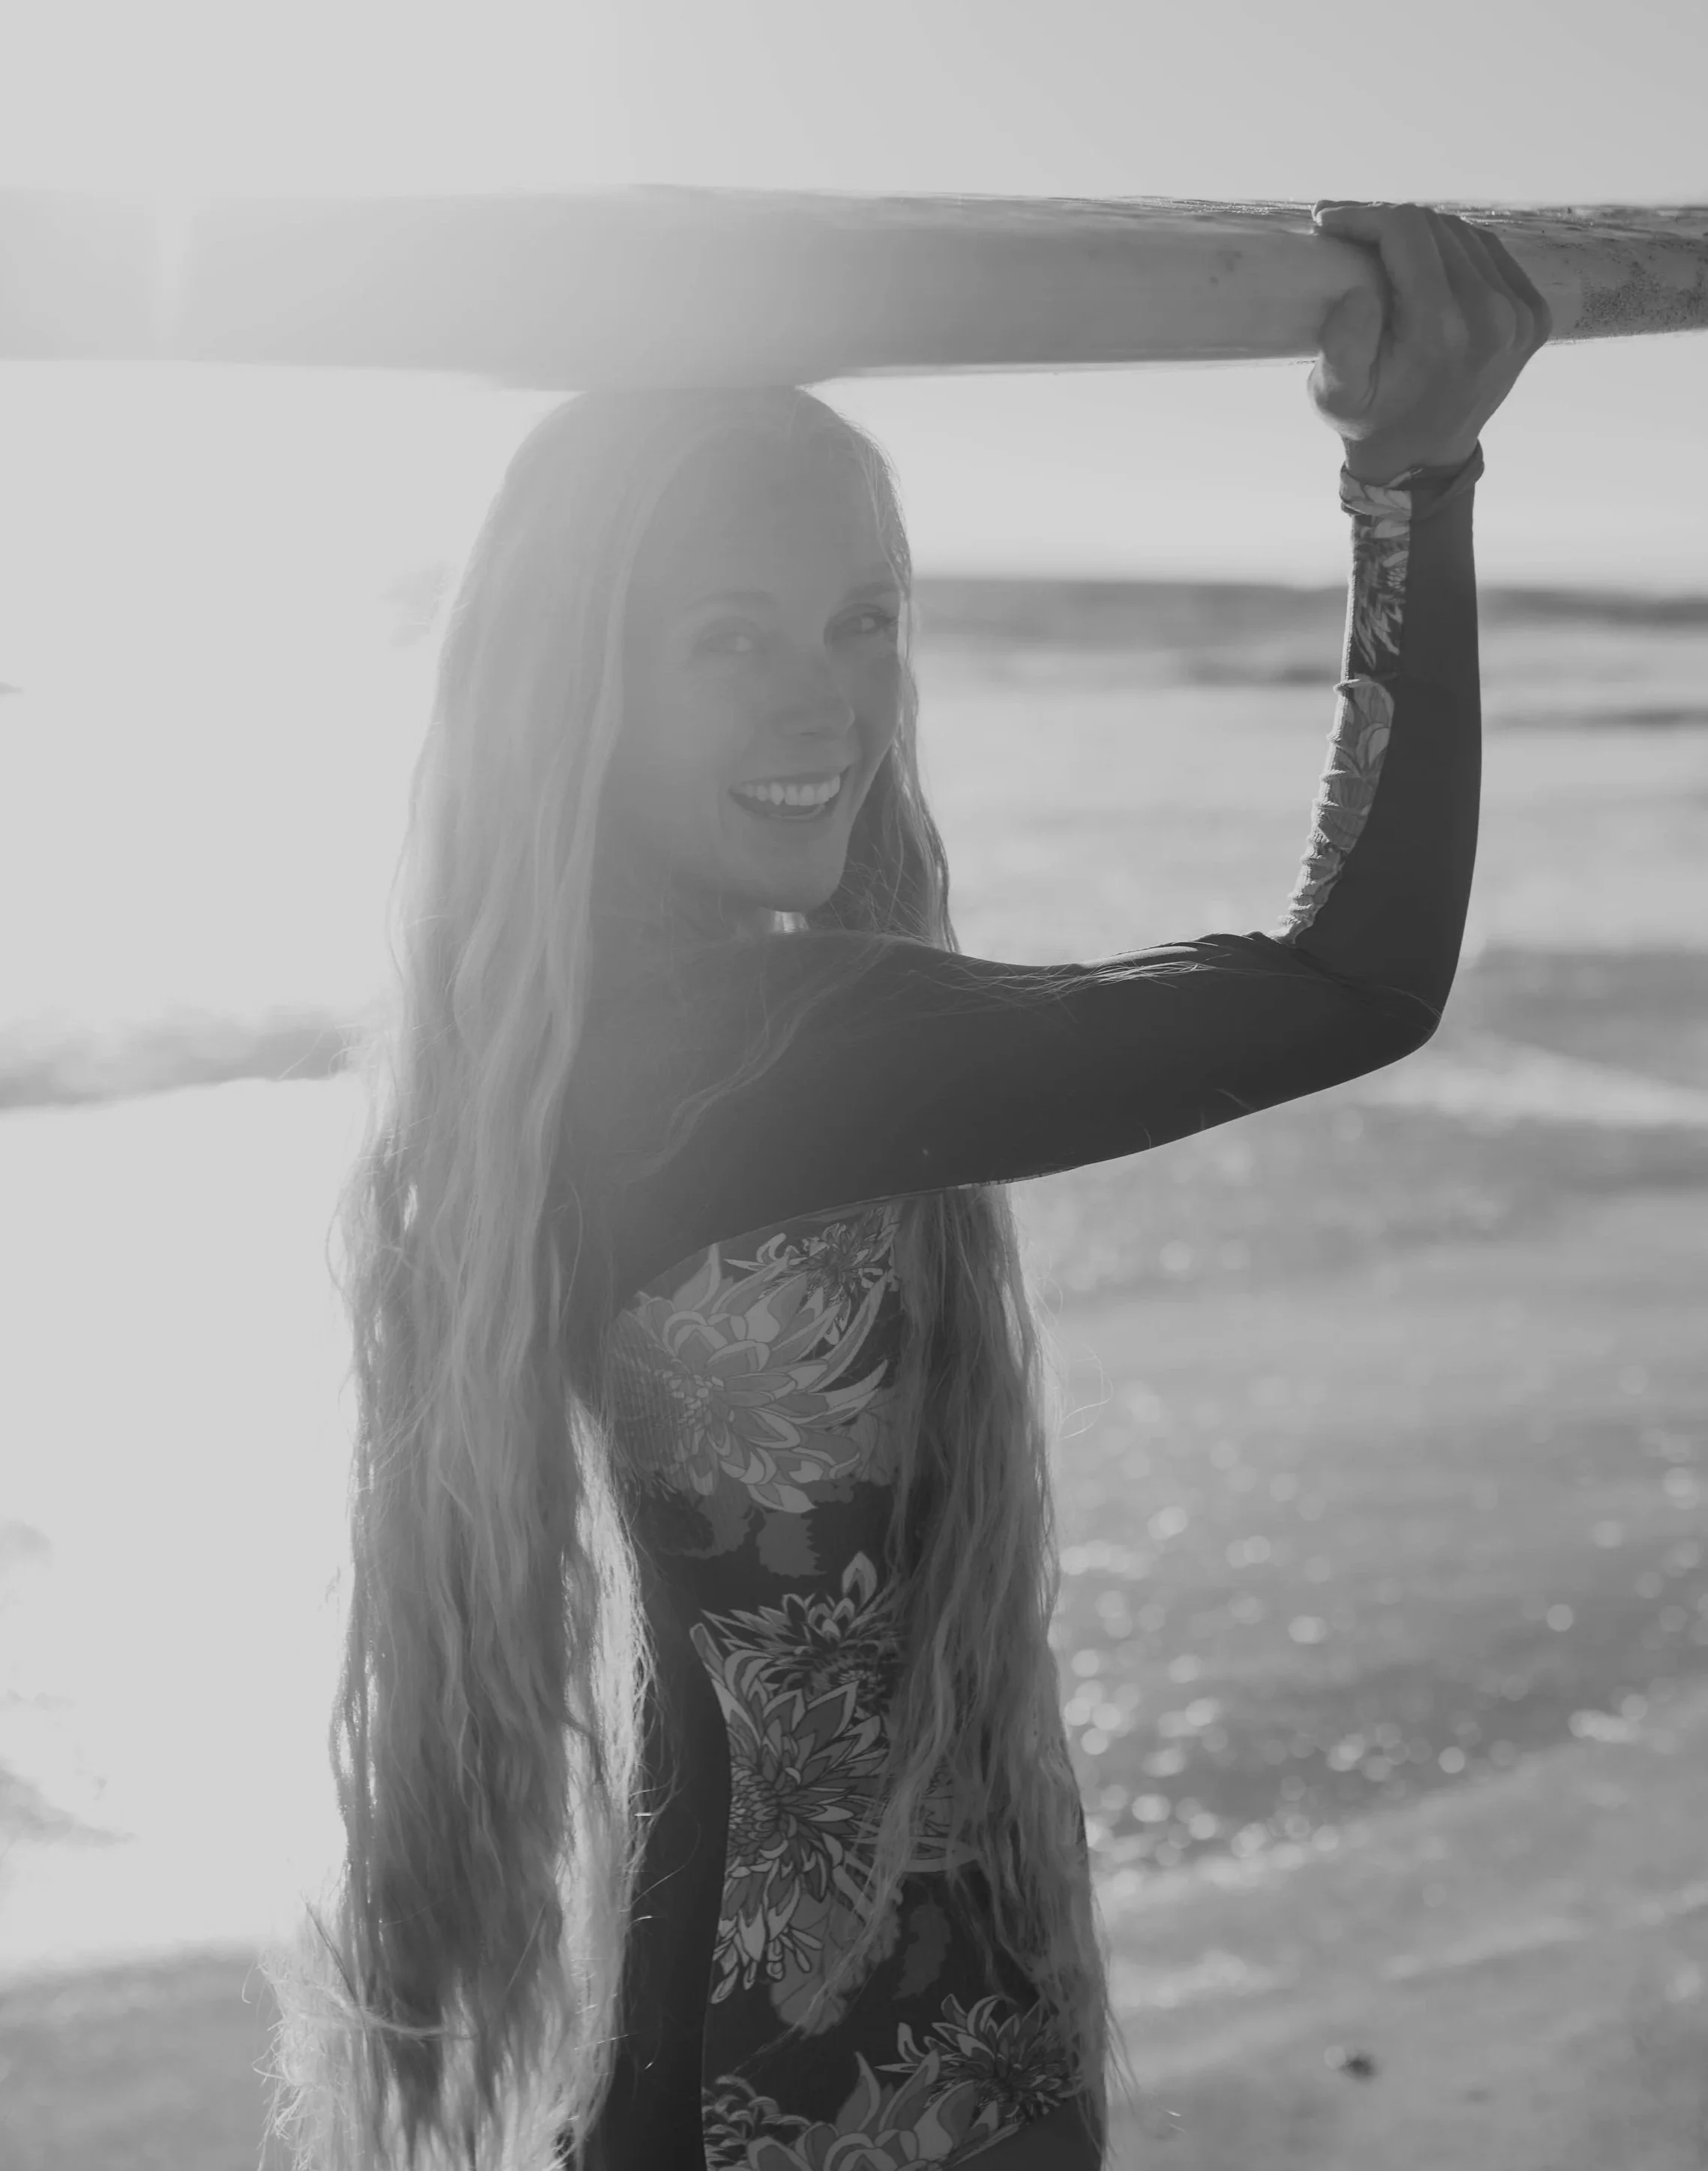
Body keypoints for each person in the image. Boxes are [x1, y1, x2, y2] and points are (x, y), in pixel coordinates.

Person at [265, 201, 1551, 2170]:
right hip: (825, 2095)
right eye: (730, 638)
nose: (829, 703)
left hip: (790, 2032)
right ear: (571, 678)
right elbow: (1352, 985)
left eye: (862, 620)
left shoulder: (560, 1039)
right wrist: (1415, 480)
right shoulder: (772, 1053)